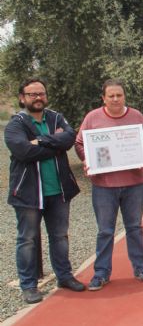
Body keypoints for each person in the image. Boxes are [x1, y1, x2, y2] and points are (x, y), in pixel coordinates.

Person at [4, 79, 85, 304]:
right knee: (27, 239)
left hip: (58, 191)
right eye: (32, 94)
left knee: (60, 236)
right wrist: (54, 145)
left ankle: (64, 276)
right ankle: (28, 286)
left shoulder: (56, 117)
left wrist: (39, 141)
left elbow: (69, 138)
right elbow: (23, 152)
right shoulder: (15, 124)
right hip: (28, 193)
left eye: (41, 93)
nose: (37, 97)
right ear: (22, 98)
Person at [75, 79, 143, 291]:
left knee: (135, 228)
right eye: (110, 95)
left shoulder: (137, 116)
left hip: (133, 183)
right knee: (105, 231)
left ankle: (140, 267)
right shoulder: (92, 118)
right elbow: (80, 143)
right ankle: (101, 272)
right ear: (103, 98)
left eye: (119, 95)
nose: (115, 99)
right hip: (104, 185)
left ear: (124, 96)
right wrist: (88, 160)